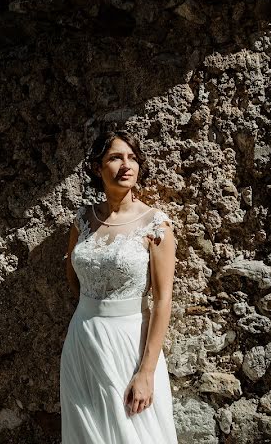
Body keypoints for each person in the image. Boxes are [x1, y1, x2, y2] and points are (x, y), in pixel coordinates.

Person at [60, 130, 178, 443]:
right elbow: (74, 275)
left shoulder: (156, 223)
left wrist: (147, 372)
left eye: (132, 158)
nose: (126, 165)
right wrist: (93, 311)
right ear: (98, 168)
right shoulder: (83, 220)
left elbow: (163, 300)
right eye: (115, 157)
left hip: (129, 344)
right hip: (82, 342)